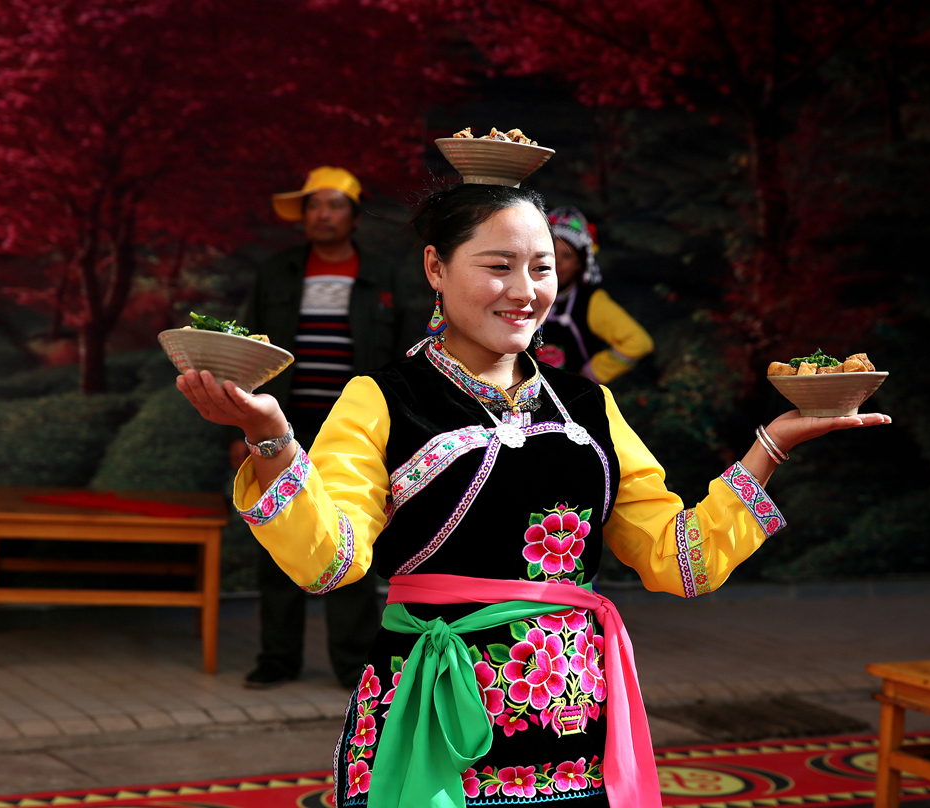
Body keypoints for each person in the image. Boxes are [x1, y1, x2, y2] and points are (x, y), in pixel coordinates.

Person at [179, 167, 889, 806]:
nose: (525, 292)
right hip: (436, 716)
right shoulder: (382, 398)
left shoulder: (587, 406)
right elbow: (331, 561)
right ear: (435, 267)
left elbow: (682, 562)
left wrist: (770, 448)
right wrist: (273, 444)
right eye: (498, 266)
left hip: (573, 729)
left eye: (543, 269)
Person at [232, 166, 423, 690]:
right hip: (282, 425)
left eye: (334, 204)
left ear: (354, 216)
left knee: (349, 536)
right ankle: (278, 659)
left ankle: (351, 663)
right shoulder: (277, 272)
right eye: (314, 205)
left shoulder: (382, 276)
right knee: (276, 536)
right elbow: (245, 355)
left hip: (355, 431)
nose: (323, 214)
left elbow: (406, 356)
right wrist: (242, 430)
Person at [539, 206, 653, 383]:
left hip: (570, 403)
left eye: (567, 256)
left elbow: (638, 342)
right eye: (551, 252)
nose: (556, 262)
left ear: (580, 264)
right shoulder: (524, 293)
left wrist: (591, 374)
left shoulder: (590, 301)